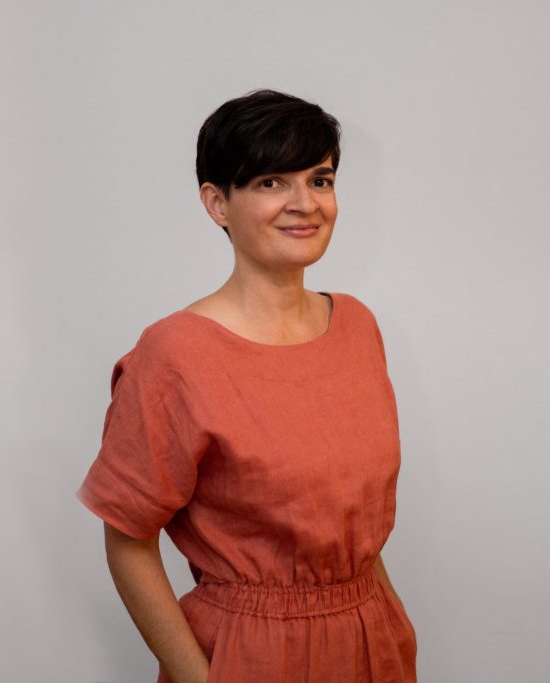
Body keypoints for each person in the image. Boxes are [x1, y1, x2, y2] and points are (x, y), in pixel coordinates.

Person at [76, 88, 417, 682]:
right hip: (248, 656)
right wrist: (197, 677)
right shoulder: (176, 354)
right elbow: (127, 541)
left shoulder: (358, 327)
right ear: (217, 203)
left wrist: (391, 632)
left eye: (320, 179)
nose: (304, 203)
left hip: (371, 640)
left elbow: (343, 516)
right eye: (269, 182)